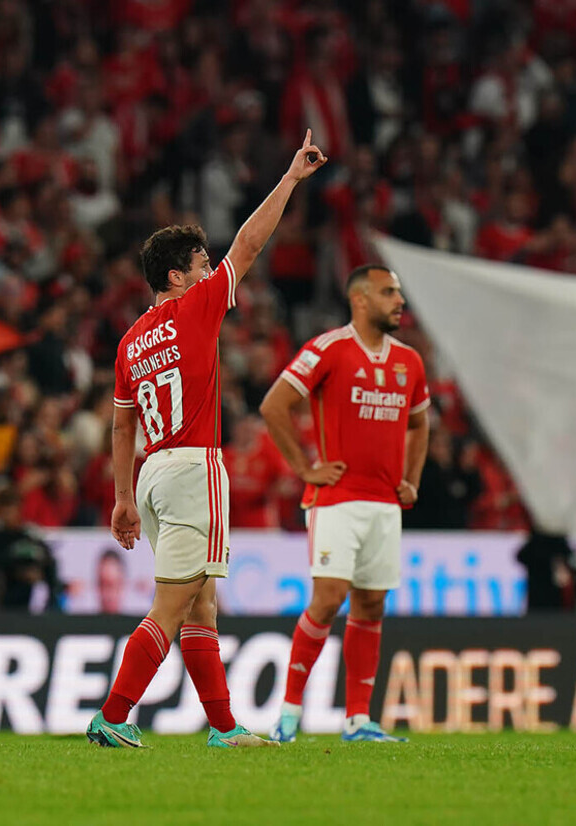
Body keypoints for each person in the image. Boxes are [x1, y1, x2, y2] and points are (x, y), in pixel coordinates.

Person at [87, 130, 328, 749]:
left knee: (201, 608)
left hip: (151, 473)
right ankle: (112, 716)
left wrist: (121, 498)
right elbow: (250, 245)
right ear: (178, 275)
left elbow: (121, 425)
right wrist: (291, 180)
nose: (211, 269)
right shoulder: (194, 309)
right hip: (196, 467)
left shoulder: (129, 342)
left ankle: (223, 729)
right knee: (174, 605)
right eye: (202, 263)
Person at [259, 264, 430, 743]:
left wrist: (411, 479)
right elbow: (274, 405)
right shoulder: (328, 349)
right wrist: (304, 467)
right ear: (360, 300)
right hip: (336, 499)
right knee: (330, 598)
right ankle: (289, 713)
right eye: (388, 292)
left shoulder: (409, 362)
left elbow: (420, 424)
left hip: (384, 503)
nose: (399, 301)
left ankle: (358, 719)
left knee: (372, 604)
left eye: (399, 292)